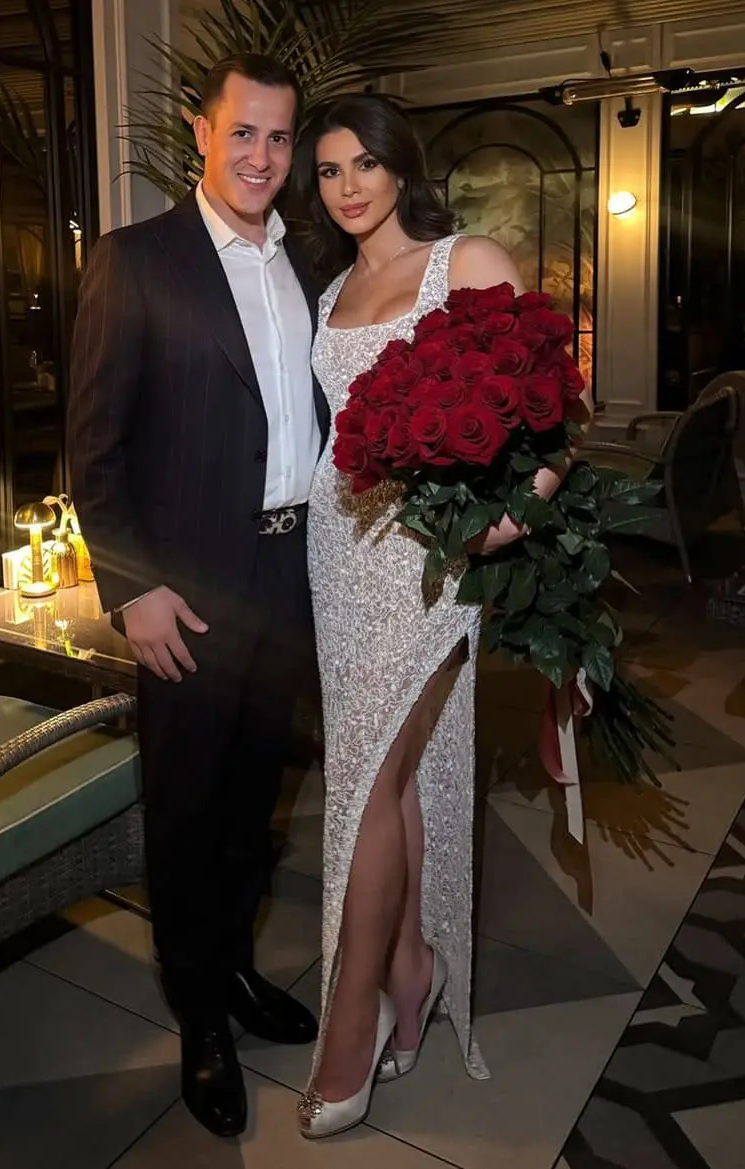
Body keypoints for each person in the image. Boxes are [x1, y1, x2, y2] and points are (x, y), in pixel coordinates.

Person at [288, 94, 594, 1139]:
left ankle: (351, 1025)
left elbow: (559, 413)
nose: (348, 186)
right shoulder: (329, 292)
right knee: (393, 775)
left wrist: (512, 517)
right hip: (340, 551)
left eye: (365, 163)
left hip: (429, 563)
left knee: (368, 781)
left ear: (401, 165)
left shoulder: (464, 262)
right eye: (329, 171)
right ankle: (411, 967)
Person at [66, 53, 330, 1139]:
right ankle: (199, 1016)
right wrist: (133, 590)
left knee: (256, 799)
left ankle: (233, 966)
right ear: (200, 133)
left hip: (292, 577)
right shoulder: (137, 260)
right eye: (244, 132)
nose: (262, 156)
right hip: (190, 591)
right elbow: (94, 449)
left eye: (280, 137)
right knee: (185, 806)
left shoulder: (310, 261)